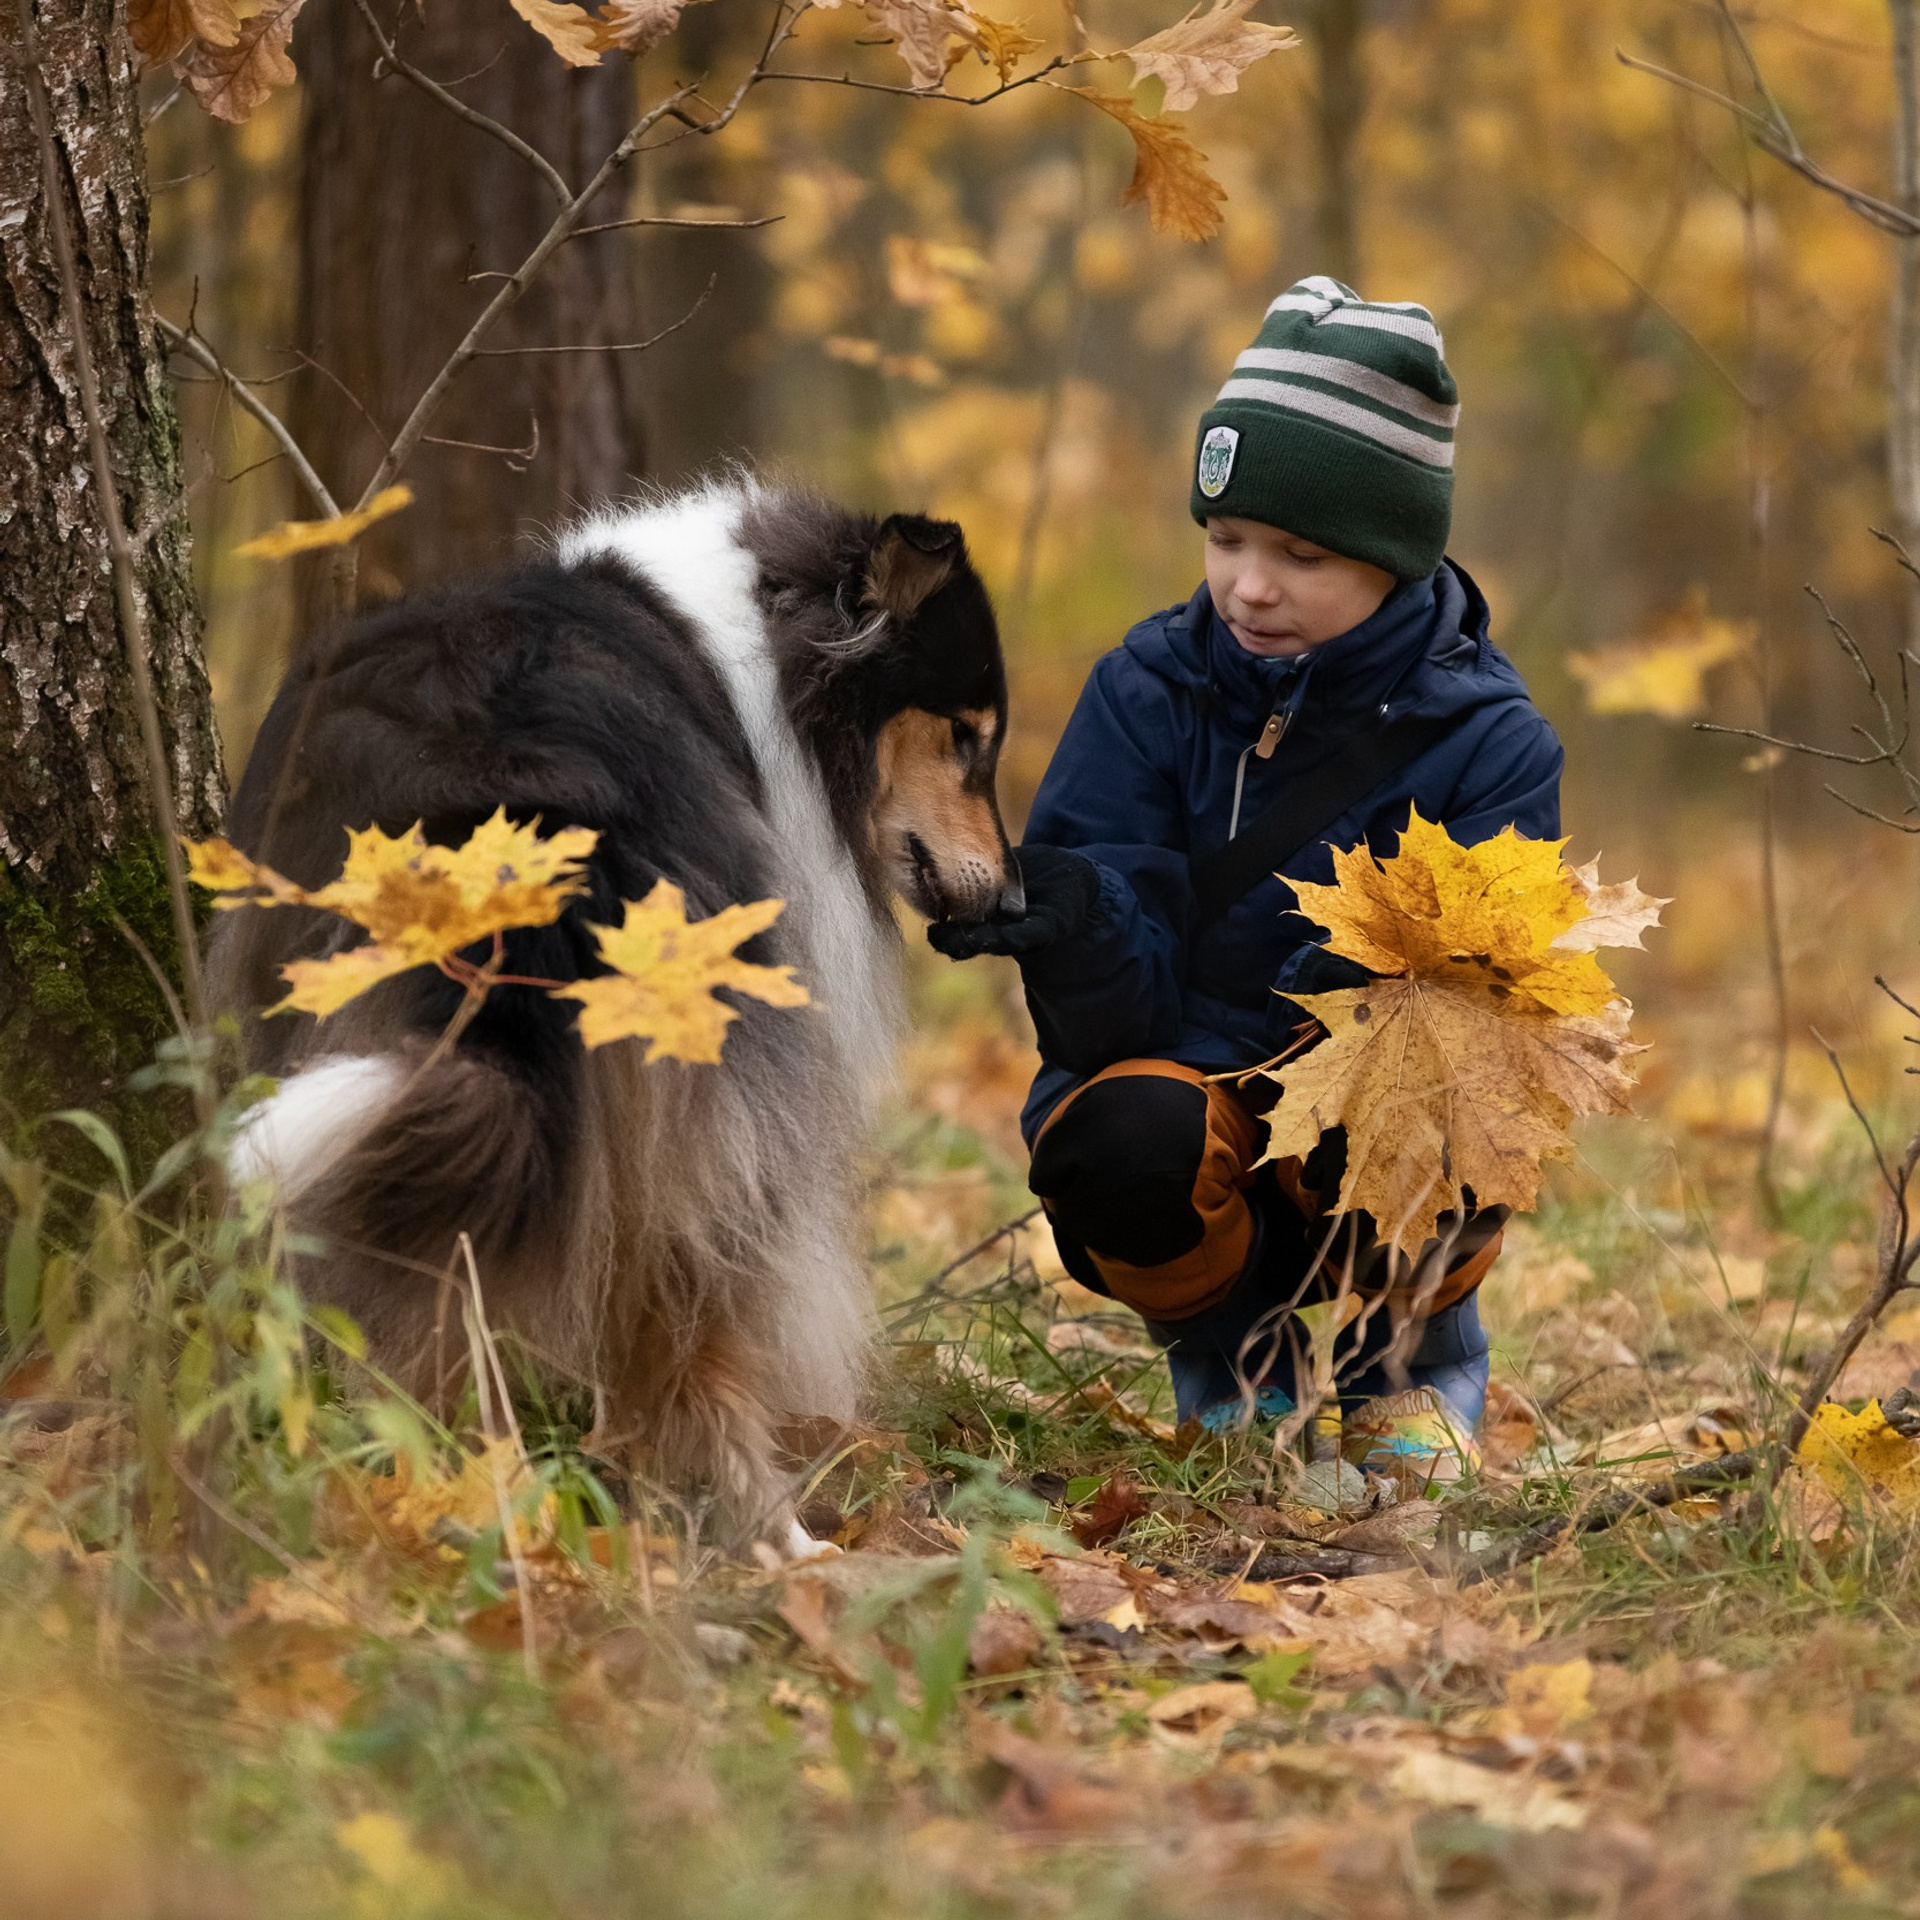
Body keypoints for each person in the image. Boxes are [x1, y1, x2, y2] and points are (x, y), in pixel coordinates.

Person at [930, 276, 1563, 1478]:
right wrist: (1076, 925)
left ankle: (1408, 1360)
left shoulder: (1491, 742)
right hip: (1204, 1102)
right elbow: (1120, 1032)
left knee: (1445, 1084)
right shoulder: (1147, 693)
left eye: (1300, 553)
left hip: (1371, 1120)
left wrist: (1363, 985)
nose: (1249, 587)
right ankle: (1233, 1364)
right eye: (1225, 541)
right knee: (1116, 1133)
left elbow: (1501, 1004)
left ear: (1394, 556)